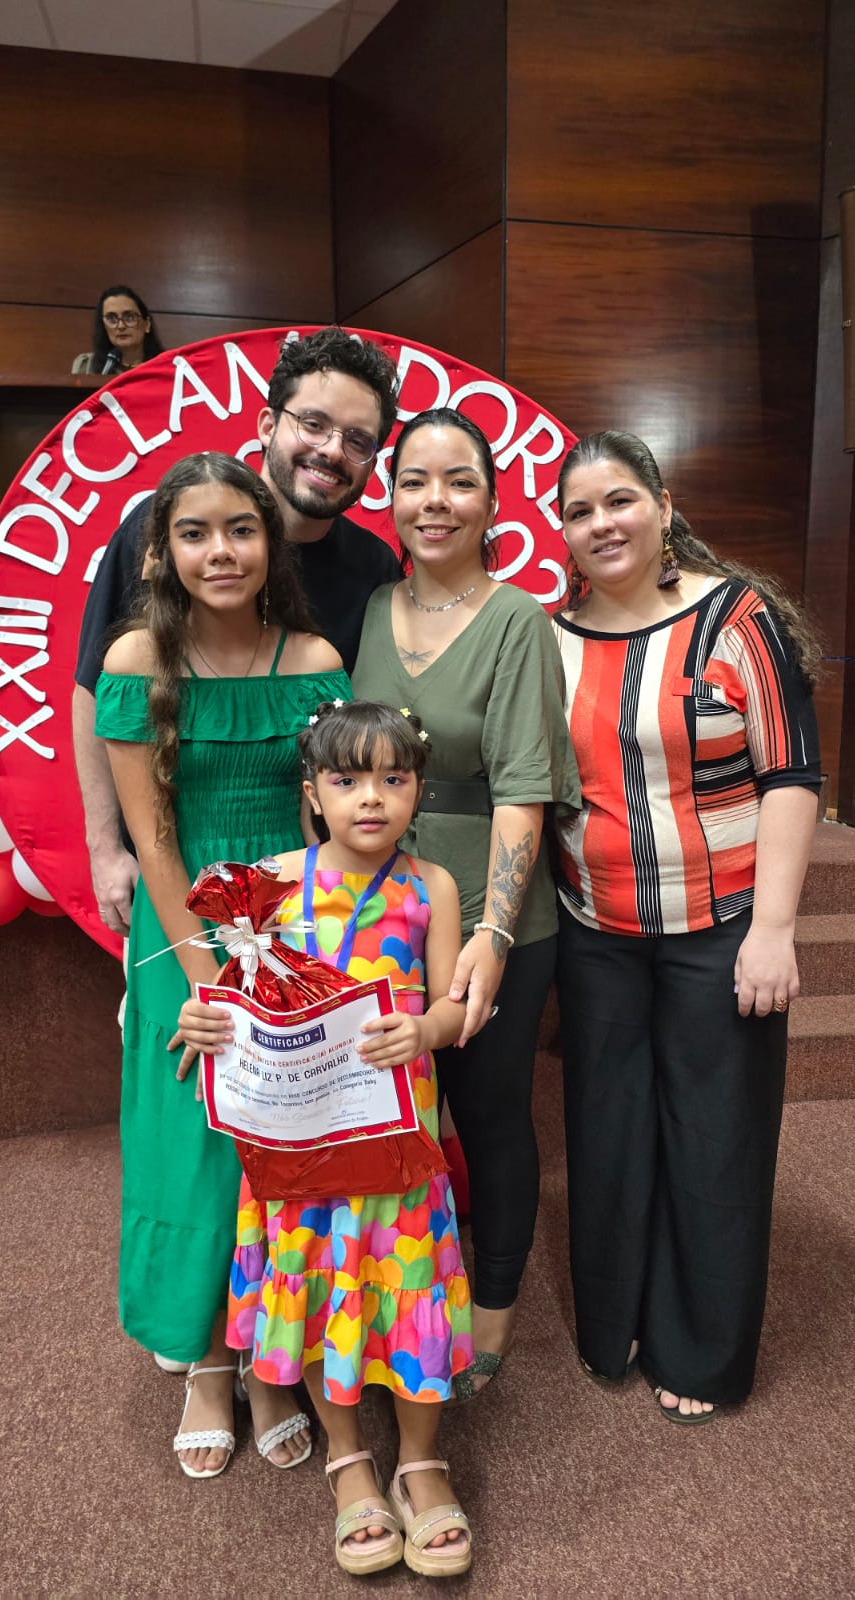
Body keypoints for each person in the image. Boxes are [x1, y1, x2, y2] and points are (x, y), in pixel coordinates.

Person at [552, 430, 822, 1422]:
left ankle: (701, 1349)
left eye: (618, 500)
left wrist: (776, 929)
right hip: (596, 931)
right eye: (578, 511)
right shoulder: (551, 636)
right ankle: (612, 1322)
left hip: (726, 926)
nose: (600, 524)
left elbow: (791, 774)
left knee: (716, 1135)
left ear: (662, 507)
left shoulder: (735, 620)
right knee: (609, 1131)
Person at [95, 450, 348, 1479]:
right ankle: (205, 1357)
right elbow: (154, 839)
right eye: (194, 533)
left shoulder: (316, 658)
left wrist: (305, 954)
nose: (221, 552)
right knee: (196, 1143)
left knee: (287, 1141)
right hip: (181, 934)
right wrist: (208, 973)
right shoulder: (131, 665)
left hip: (295, 931)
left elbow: (327, 818)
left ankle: (272, 1357)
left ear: (269, 540)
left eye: (240, 530)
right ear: (162, 551)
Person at [178, 701, 474, 1577]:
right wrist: (206, 1021)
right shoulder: (265, 883)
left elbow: (455, 1006)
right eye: (347, 781)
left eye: (394, 778)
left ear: (418, 788)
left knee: (410, 1286)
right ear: (311, 792)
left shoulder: (433, 888)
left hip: (398, 1144)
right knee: (318, 1288)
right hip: (300, 1150)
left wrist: (426, 1031)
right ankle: (350, 1465)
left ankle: (421, 1461)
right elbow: (234, 1000)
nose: (372, 799)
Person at [351, 408, 580, 1397]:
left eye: (457, 482)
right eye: (414, 481)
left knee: (489, 1116)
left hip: (495, 913)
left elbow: (524, 786)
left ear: (491, 500)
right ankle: (401, 1292)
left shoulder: (518, 619)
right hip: (384, 908)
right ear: (388, 495)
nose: (433, 501)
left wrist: (490, 933)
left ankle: (490, 1319)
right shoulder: (367, 610)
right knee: (397, 1111)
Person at [72, 326, 402, 941]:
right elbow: (96, 691)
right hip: (169, 871)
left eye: (357, 440)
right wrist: (103, 847)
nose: (331, 450)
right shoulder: (158, 526)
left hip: (300, 889)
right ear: (267, 425)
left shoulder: (375, 568)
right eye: (314, 423)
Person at [72, 284, 164, 375]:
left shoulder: (166, 367)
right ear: (104, 326)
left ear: (147, 324)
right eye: (112, 318)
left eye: (130, 317)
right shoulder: (87, 366)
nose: (121, 326)